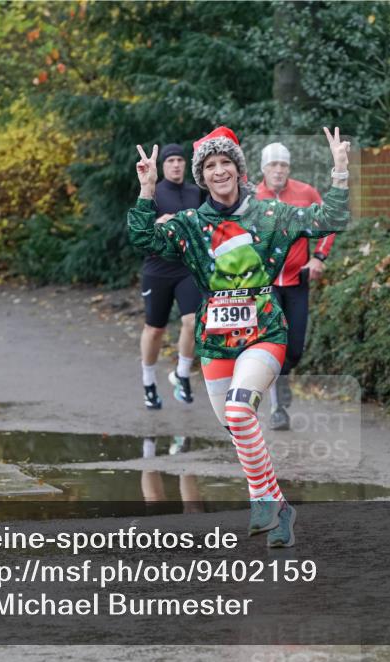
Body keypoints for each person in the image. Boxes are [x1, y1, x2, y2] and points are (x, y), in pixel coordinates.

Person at [128, 126, 351, 547]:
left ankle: (259, 500)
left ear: (239, 169)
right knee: (238, 426)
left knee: (238, 411)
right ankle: (280, 507)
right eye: (209, 166)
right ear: (201, 176)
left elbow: (329, 219)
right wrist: (146, 189)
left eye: (225, 163)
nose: (218, 171)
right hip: (215, 344)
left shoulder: (268, 213)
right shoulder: (191, 224)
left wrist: (339, 172)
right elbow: (143, 238)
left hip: (264, 333)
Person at [256, 143, 335, 430]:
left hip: (297, 280)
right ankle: (278, 407)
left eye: (283, 165)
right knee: (273, 342)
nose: (278, 170)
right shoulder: (251, 196)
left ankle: (279, 381)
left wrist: (318, 257)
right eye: (273, 165)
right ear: (263, 168)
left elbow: (330, 222)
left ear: (289, 168)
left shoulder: (305, 193)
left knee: (296, 348)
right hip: (264, 285)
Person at [138, 143, 204, 409]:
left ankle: (182, 374)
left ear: (185, 164)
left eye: (180, 160)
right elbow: (138, 230)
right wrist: (157, 223)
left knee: (192, 321)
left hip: (186, 267)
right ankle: (148, 383)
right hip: (157, 270)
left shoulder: (194, 193)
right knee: (156, 329)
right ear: (163, 166)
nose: (176, 165)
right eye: (170, 161)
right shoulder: (152, 191)